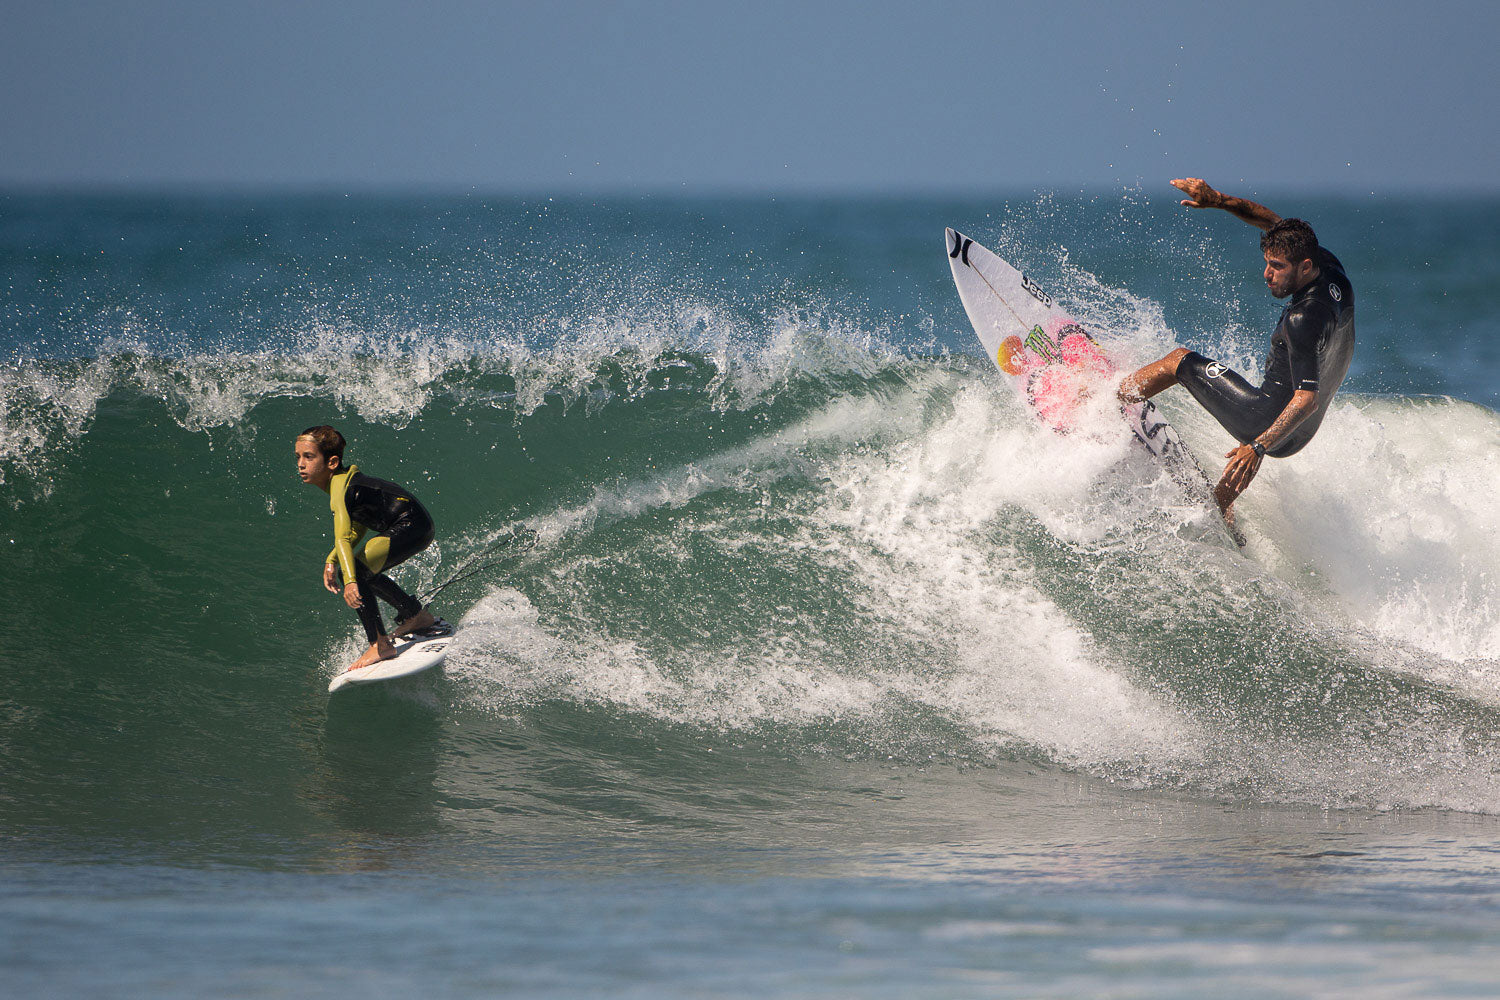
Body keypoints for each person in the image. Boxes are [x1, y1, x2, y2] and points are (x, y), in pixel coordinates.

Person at [1117, 177, 1356, 515]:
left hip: (1275, 421)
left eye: (1277, 267)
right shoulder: (1329, 269)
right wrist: (1218, 199)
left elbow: (1306, 399)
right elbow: (1273, 222)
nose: (1266, 274)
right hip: (1300, 435)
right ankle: (1220, 507)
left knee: (1179, 360)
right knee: (1260, 415)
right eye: (1267, 262)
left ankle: (1111, 399)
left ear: (1304, 267)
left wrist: (1258, 446)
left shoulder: (1304, 318)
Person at [295, 426, 441, 671]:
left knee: (356, 572)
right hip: (417, 525)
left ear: (331, 462)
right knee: (361, 569)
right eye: (298, 457)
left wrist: (350, 580)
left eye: (309, 457)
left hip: (411, 524)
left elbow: (342, 538)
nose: (300, 464)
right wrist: (332, 560)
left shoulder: (340, 488)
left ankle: (379, 644)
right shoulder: (348, 485)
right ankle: (416, 616)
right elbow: (357, 529)